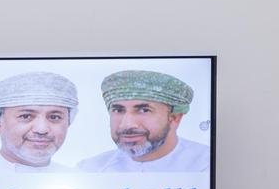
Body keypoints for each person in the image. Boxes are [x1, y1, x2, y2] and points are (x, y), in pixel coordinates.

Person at [78, 70, 210, 172]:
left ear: (175, 118)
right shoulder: (90, 170)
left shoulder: (207, 165)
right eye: (118, 110)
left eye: (144, 110)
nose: (127, 125)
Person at [0, 71, 78, 172]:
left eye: (54, 117)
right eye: (26, 116)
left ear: (69, 122)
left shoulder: (79, 178)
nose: (42, 129)